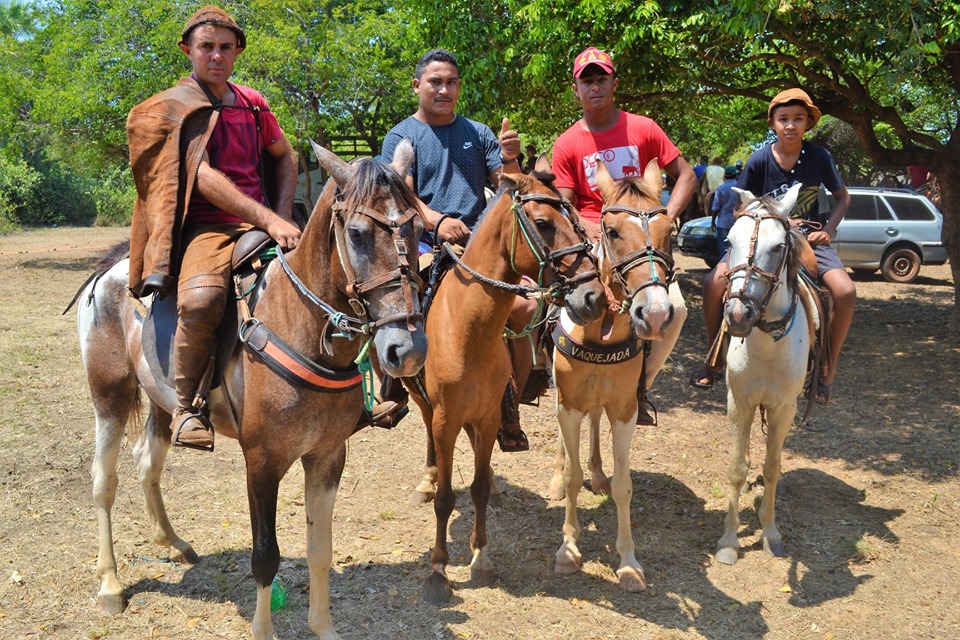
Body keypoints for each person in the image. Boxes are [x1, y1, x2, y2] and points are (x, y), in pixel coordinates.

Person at [126, 5, 301, 451]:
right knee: (202, 301)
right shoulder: (173, 109)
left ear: (238, 51)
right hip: (207, 227)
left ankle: (364, 391)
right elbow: (202, 176)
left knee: (340, 274)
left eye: (226, 47)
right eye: (206, 47)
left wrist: (280, 215)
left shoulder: (253, 104)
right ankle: (188, 408)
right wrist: (270, 219)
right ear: (188, 50)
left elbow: (285, 156)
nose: (216, 56)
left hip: (263, 221)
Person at [380, 48, 535, 451]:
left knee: (526, 308)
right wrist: (437, 221)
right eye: (435, 82)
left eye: (451, 82)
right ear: (417, 86)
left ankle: (513, 398)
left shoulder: (479, 133)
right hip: (426, 243)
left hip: (481, 246)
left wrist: (512, 159)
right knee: (404, 303)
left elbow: (508, 188)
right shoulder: (401, 136)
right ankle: (392, 386)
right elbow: (402, 194)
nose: (443, 89)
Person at [551, 46, 696, 425]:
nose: (595, 87)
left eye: (602, 79)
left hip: (642, 238)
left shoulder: (644, 128)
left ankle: (640, 385)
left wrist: (664, 220)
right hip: (591, 235)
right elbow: (565, 205)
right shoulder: (567, 143)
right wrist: (592, 232)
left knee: (675, 309)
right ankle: (543, 373)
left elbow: (687, 177)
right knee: (545, 303)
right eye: (587, 81)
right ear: (576, 89)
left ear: (614, 83)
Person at [693, 88, 855, 406]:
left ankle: (827, 370)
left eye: (798, 119)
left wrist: (828, 230)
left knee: (845, 291)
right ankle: (713, 357)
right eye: (783, 119)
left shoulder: (820, 157)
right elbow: (741, 208)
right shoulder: (759, 159)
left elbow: (843, 198)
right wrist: (770, 222)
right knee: (712, 283)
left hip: (808, 237)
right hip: (763, 239)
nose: (790, 125)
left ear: (808, 123)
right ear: (773, 123)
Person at [710, 165, 739, 255]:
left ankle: (725, 266)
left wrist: (713, 221)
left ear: (725, 176)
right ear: (736, 175)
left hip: (723, 222)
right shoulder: (741, 187)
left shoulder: (720, 188)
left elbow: (716, 208)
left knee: (724, 248)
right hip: (738, 221)